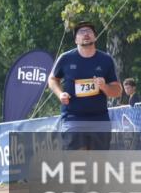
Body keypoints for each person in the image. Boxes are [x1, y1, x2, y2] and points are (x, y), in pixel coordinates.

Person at [48, 21, 121, 150]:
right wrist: (60, 94)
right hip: (73, 117)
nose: (86, 34)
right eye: (81, 32)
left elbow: (117, 91)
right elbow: (52, 79)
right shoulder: (65, 58)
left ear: (95, 37)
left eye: (89, 31)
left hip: (99, 118)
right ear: (76, 40)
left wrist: (104, 87)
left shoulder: (106, 60)